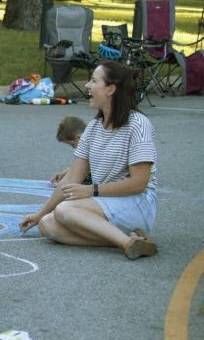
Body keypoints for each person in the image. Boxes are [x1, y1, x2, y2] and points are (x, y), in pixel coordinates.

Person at [20, 62, 159, 260]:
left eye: (94, 81)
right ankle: (134, 240)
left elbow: (139, 183)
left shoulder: (138, 124)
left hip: (138, 204)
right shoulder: (94, 128)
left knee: (66, 209)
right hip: (105, 203)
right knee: (48, 225)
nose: (87, 86)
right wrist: (39, 214)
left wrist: (92, 190)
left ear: (111, 89)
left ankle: (126, 243)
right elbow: (70, 180)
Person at [50, 115, 91, 186]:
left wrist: (65, 182)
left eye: (72, 144)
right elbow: (79, 165)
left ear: (79, 137)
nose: (73, 147)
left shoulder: (92, 147)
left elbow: (84, 169)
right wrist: (64, 173)